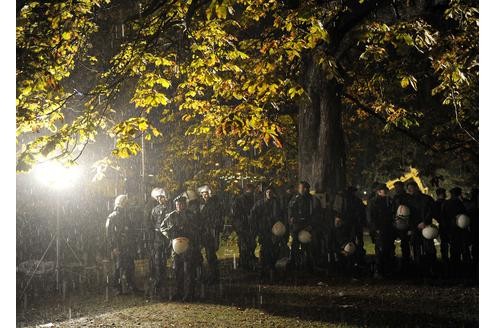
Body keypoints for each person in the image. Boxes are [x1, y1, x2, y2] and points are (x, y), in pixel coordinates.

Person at [160, 196, 202, 302]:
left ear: (185, 205)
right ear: (176, 205)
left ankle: (189, 294)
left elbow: (198, 228)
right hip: (175, 247)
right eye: (178, 204)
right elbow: (162, 228)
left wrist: (189, 231)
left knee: (188, 271)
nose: (180, 206)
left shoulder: (191, 215)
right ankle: (179, 292)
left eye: (182, 204)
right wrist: (170, 233)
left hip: (189, 247)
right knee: (177, 271)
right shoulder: (171, 216)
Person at [250, 186, 285, 277]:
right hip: (263, 230)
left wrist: (280, 225)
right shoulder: (260, 204)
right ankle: (263, 268)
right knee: (264, 249)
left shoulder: (276, 204)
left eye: (271, 192)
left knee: (274, 249)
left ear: (273, 193)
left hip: (274, 230)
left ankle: (271, 266)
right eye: (267, 192)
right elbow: (253, 215)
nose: (269, 194)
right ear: (265, 193)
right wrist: (257, 227)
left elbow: (281, 215)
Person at [105, 194, 137, 295]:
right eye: (126, 203)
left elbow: (130, 232)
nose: (127, 205)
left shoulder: (126, 216)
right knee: (118, 267)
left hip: (126, 245)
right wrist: (113, 247)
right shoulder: (112, 217)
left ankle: (130, 285)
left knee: (129, 266)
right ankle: (117, 288)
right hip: (118, 246)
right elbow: (109, 233)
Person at [331, 186, 366, 274]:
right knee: (351, 245)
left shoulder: (345, 201)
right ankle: (351, 265)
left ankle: (346, 265)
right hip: (350, 227)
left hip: (350, 227)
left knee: (348, 245)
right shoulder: (354, 201)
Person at [288, 181, 321, 271]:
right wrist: (292, 221)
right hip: (297, 226)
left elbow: (317, 214)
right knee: (295, 245)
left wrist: (311, 225)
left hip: (307, 226)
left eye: (302, 188)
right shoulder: (295, 198)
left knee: (307, 246)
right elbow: (290, 211)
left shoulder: (313, 200)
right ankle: (293, 263)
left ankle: (308, 264)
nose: (301, 189)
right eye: (301, 188)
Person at [406, 181, 436, 277]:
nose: (410, 190)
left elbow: (431, 211)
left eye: (411, 188)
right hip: (416, 227)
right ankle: (422, 269)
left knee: (427, 248)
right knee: (418, 248)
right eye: (409, 188)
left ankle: (428, 268)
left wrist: (425, 222)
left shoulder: (425, 199)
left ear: (416, 188)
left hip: (425, 227)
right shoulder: (409, 200)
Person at [441, 187, 471, 278]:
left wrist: (446, 230)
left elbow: (443, 218)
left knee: (455, 250)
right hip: (460, 230)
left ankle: (455, 270)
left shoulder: (446, 203)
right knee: (464, 250)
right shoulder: (462, 203)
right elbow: (467, 215)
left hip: (452, 230)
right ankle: (466, 270)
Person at [367, 184, 395, 278]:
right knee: (380, 250)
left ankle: (386, 270)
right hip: (379, 229)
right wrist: (376, 229)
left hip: (388, 228)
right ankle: (378, 271)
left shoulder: (388, 201)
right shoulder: (373, 202)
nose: (386, 191)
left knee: (388, 249)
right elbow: (370, 217)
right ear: (379, 192)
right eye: (384, 190)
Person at [198, 185, 223, 284]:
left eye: (206, 193)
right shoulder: (201, 205)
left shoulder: (214, 205)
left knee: (210, 255)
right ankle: (204, 276)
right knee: (201, 256)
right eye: (203, 194)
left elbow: (217, 220)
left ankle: (213, 276)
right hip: (203, 233)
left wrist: (215, 231)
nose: (205, 195)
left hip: (210, 233)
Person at [148, 188, 171, 299]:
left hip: (166, 237)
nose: (160, 199)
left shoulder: (170, 209)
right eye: (159, 198)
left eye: (162, 197)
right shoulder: (154, 210)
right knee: (157, 260)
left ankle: (165, 279)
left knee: (165, 259)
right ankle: (159, 280)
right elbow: (152, 223)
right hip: (157, 238)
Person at [232, 183, 257, 271]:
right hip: (243, 227)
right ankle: (244, 264)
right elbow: (236, 215)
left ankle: (247, 263)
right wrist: (239, 227)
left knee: (250, 245)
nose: (251, 193)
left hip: (249, 226)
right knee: (244, 246)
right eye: (249, 191)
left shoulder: (253, 199)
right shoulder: (239, 200)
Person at [391, 181, 413, 271]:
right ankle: (396, 262)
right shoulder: (395, 197)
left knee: (405, 244)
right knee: (394, 244)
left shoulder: (407, 197)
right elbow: (392, 209)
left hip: (405, 223)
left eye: (398, 187)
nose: (396, 189)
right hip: (396, 222)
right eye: (395, 187)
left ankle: (406, 263)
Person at [433, 188, 448, 263]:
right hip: (444, 224)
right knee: (444, 241)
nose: (445, 194)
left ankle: (445, 257)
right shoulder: (442, 203)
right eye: (444, 193)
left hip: (442, 223)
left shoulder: (437, 203)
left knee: (444, 241)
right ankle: (445, 257)